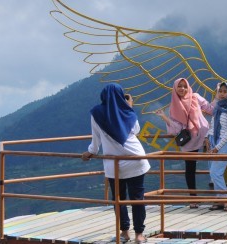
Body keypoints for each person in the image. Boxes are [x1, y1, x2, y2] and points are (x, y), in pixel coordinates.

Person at [82, 84, 150, 243]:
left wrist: (90, 152)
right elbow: (136, 131)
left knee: (118, 199)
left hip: (114, 164)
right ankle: (139, 235)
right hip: (135, 159)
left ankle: (125, 233)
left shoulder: (97, 113)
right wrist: (130, 107)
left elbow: (95, 141)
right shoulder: (127, 111)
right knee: (137, 199)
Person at [155, 78, 215, 209]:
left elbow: (210, 108)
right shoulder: (174, 105)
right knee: (190, 169)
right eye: (179, 87)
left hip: (204, 137)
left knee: (215, 165)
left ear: (188, 87)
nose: (182, 89)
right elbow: (177, 129)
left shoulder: (196, 97)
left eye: (184, 86)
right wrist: (164, 117)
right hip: (188, 141)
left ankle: (220, 198)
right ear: (175, 89)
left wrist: (218, 96)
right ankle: (193, 198)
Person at [206, 82, 227, 211]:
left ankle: (226, 200)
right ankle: (219, 199)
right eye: (220, 91)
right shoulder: (218, 107)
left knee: (216, 172)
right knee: (212, 172)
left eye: (225, 91)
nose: (222, 94)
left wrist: (217, 147)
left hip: (224, 143)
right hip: (213, 141)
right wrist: (207, 138)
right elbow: (213, 124)